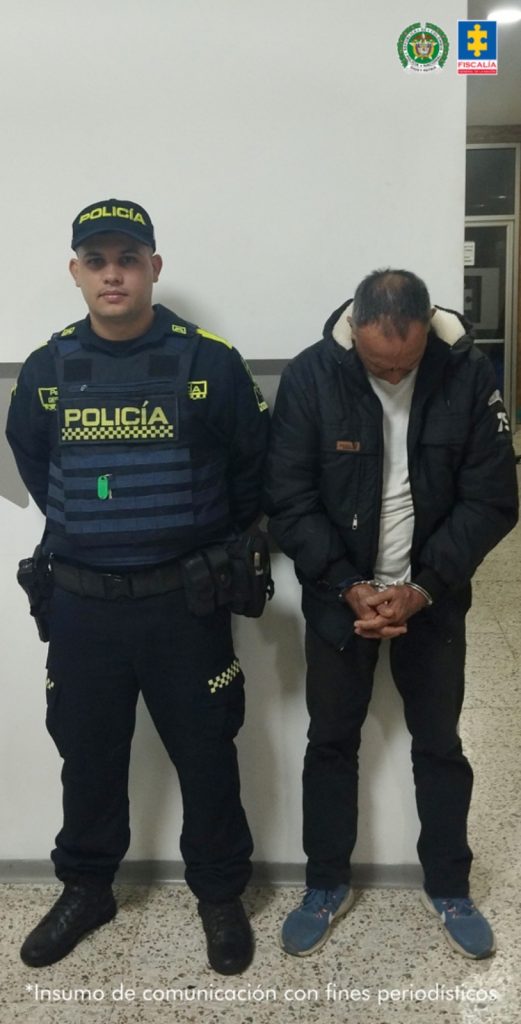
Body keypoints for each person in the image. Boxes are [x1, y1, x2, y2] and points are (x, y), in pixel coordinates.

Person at [6, 198, 270, 974]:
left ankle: (219, 896)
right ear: (76, 273)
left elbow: (251, 472)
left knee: (207, 753)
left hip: (182, 603)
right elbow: (32, 459)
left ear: (154, 267)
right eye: (97, 261)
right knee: (86, 755)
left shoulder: (209, 361)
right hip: (83, 606)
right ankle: (88, 888)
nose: (112, 274)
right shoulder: (48, 368)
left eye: (128, 259)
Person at [263, 269, 518, 960]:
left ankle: (449, 886)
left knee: (439, 746)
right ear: (354, 331)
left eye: (404, 365)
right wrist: (348, 585)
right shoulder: (312, 377)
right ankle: (323, 885)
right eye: (379, 364)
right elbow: (286, 498)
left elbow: (493, 498)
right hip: (337, 598)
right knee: (330, 743)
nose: (392, 374)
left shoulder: (466, 375)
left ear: (424, 332)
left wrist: (424, 586)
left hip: (430, 603)